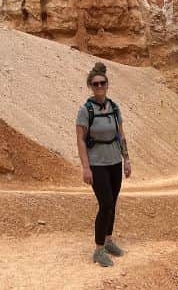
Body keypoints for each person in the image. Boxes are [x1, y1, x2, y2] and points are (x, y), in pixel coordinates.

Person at [75, 61, 131, 267]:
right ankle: (98, 250)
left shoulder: (114, 108)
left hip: (114, 161)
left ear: (107, 85)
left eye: (102, 83)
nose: (99, 87)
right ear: (90, 86)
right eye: (95, 84)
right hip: (97, 163)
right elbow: (80, 139)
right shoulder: (85, 110)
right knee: (105, 204)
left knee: (112, 203)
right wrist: (85, 167)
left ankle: (109, 241)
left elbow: (121, 134)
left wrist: (127, 159)